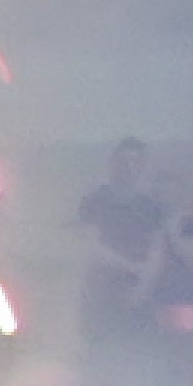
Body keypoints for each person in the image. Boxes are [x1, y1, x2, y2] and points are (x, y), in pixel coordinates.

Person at [73, 139, 168, 348]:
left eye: (135, 162)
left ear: (143, 166)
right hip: (101, 289)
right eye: (123, 161)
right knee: (97, 348)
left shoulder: (152, 207)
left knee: (138, 350)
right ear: (112, 164)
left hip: (141, 291)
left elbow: (158, 250)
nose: (129, 167)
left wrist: (143, 288)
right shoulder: (95, 201)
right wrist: (133, 268)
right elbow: (90, 246)